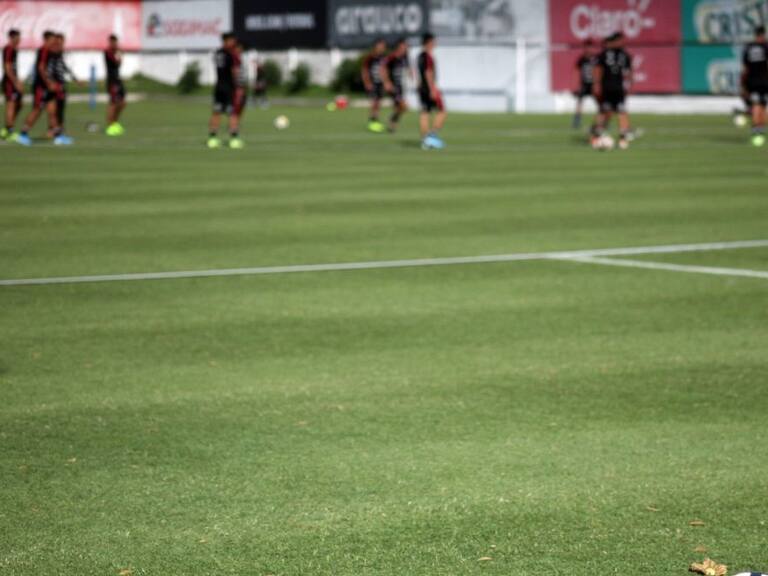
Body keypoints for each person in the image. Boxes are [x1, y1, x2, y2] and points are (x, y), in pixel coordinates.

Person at [17, 31, 72, 146]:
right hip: (41, 87)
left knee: (52, 111)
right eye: (52, 39)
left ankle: (58, 136)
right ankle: (23, 134)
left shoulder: (49, 51)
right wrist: (49, 83)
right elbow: (41, 68)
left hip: (47, 87)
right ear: (46, 40)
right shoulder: (43, 51)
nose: (54, 41)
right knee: (37, 110)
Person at [592, 32, 632, 150]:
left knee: (622, 112)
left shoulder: (624, 55)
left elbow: (629, 71)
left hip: (619, 88)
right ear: (614, 41)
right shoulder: (603, 55)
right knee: (605, 112)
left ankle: (623, 138)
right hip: (607, 88)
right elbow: (598, 69)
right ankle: (596, 135)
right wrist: (597, 84)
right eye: (620, 40)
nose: (622, 43)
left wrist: (629, 85)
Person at [207, 32, 243, 149]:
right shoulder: (231, 54)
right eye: (232, 40)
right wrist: (238, 86)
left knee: (216, 112)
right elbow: (234, 72)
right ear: (226, 40)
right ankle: (234, 139)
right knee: (232, 113)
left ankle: (212, 139)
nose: (234, 43)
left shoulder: (218, 53)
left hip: (218, 86)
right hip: (229, 88)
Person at [417, 32, 446, 150]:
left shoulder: (420, 56)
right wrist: (432, 89)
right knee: (442, 111)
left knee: (425, 113)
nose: (435, 44)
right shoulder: (428, 56)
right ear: (428, 42)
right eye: (433, 41)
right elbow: (428, 72)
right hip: (429, 88)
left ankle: (426, 141)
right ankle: (432, 136)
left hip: (422, 88)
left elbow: (420, 72)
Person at [742, 25, 768, 146]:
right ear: (763, 34)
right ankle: (759, 130)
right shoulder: (765, 46)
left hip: (752, 81)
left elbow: (745, 68)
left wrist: (743, 84)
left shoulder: (748, 47)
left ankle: (757, 130)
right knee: (762, 105)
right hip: (764, 80)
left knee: (757, 104)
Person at [380, 38, 412, 133]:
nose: (405, 48)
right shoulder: (392, 57)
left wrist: (411, 73)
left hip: (401, 86)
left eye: (406, 47)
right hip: (393, 87)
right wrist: (386, 82)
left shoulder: (405, 58)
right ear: (399, 47)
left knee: (399, 108)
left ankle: (392, 125)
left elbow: (408, 68)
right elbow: (383, 68)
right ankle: (392, 120)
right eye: (404, 46)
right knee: (404, 106)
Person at [361, 38, 387, 133]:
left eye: (383, 46)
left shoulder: (383, 58)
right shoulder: (370, 57)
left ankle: (375, 121)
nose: (382, 48)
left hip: (380, 83)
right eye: (381, 46)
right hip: (373, 83)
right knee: (374, 102)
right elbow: (364, 71)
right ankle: (372, 122)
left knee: (378, 103)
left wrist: (385, 82)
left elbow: (385, 71)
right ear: (376, 47)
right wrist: (367, 82)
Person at [2, 29, 23, 141]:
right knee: (11, 105)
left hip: (12, 81)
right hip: (9, 83)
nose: (19, 40)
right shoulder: (9, 49)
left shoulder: (14, 49)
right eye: (18, 37)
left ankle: (6, 129)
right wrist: (15, 82)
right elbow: (7, 67)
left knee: (19, 104)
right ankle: (9, 132)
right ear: (12, 37)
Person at [573, 39, 598, 129]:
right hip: (584, 84)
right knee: (579, 102)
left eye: (590, 47)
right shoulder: (582, 59)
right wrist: (576, 85)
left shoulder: (596, 59)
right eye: (587, 47)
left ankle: (601, 121)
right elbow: (576, 71)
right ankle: (577, 120)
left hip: (594, 84)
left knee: (600, 103)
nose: (588, 49)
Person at [105, 34, 127, 136]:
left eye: (115, 42)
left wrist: (119, 54)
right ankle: (110, 126)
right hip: (112, 81)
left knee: (122, 103)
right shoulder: (107, 52)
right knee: (113, 103)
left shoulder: (115, 52)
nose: (114, 44)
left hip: (118, 80)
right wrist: (119, 54)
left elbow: (119, 64)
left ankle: (115, 123)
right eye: (112, 42)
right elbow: (115, 62)